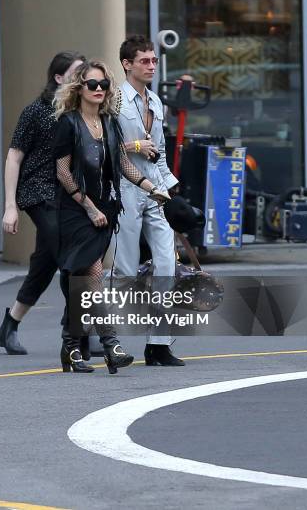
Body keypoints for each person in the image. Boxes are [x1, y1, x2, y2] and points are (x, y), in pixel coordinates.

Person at [53, 59, 167, 374]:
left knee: (82, 283)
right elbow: (62, 171)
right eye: (93, 84)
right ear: (79, 88)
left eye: (104, 85)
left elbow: (122, 165)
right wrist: (87, 205)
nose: (99, 89)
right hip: (77, 212)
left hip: (105, 210)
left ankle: (70, 348)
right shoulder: (68, 123)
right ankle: (111, 346)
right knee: (93, 277)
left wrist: (149, 186)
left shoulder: (109, 122)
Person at [0, 51, 86, 355]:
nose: (84, 78)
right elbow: (14, 156)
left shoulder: (80, 111)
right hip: (39, 192)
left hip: (68, 194)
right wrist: (10, 205)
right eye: (77, 73)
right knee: (70, 256)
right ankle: (78, 332)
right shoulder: (36, 111)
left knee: (46, 263)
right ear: (59, 78)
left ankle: (9, 324)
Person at [114, 34, 190, 366]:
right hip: (125, 189)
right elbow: (106, 149)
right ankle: (106, 337)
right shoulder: (114, 100)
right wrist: (134, 147)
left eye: (154, 60)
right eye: (144, 60)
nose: (151, 66)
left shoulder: (156, 102)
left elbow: (157, 152)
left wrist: (170, 188)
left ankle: (158, 344)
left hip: (154, 191)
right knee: (125, 269)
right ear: (127, 64)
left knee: (166, 264)